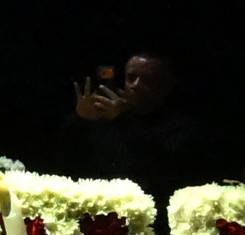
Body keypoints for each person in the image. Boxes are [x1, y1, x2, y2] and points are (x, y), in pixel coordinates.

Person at [62, 50, 221, 199]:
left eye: (148, 80)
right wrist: (80, 118)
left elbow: (161, 170)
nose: (136, 85)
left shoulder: (182, 128)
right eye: (131, 78)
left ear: (166, 85)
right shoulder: (106, 119)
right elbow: (65, 158)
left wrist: (124, 119)